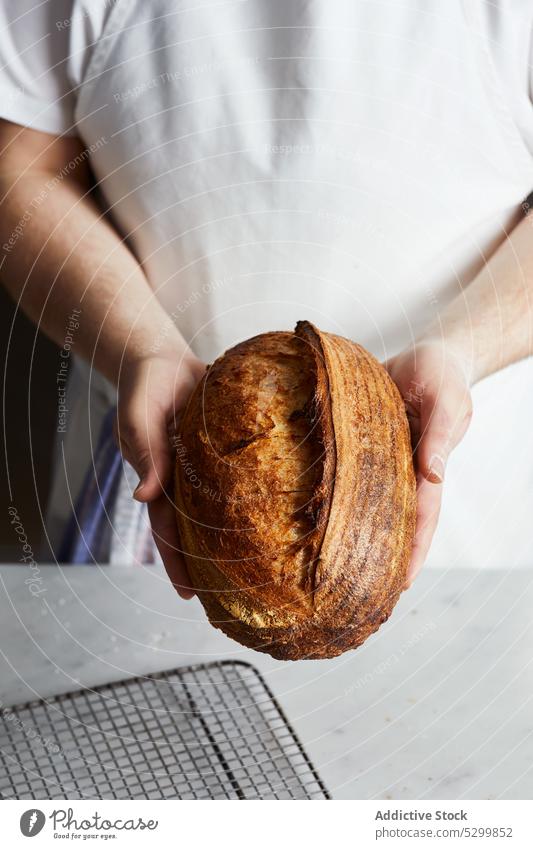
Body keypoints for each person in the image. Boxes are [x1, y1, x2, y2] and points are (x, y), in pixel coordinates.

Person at [1, 0, 532, 598]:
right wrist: (140, 348)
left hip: (470, 489)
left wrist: (461, 350)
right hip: (150, 443)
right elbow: (21, 167)